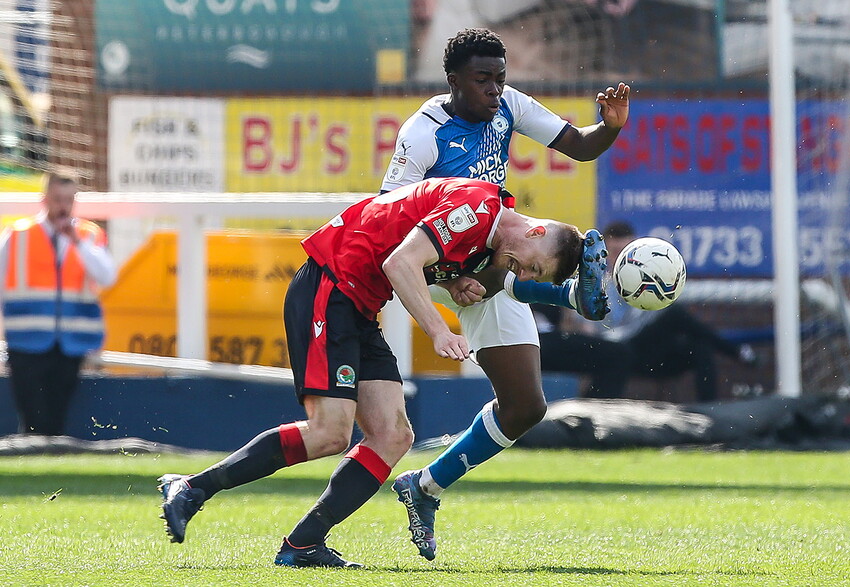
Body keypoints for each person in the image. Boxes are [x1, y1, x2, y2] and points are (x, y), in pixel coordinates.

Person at [158, 176, 585, 568]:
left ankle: (303, 544)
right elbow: (400, 263)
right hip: (330, 287)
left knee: (394, 435)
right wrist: (438, 330)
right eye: (534, 267)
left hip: (359, 305)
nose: (524, 274)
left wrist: (453, 283)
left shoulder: (486, 227)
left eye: (533, 277)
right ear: (535, 232)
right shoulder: (476, 210)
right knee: (329, 433)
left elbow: (413, 246)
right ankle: (192, 488)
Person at [381, 27, 630, 561]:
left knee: (525, 407)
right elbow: (387, 219)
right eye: (482, 80)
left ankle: (423, 486)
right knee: (531, 252)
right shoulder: (423, 134)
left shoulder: (507, 105)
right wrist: (445, 280)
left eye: (500, 78)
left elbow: (580, 146)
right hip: (443, 265)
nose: (494, 89)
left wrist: (608, 129)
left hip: (494, 244)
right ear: (453, 80)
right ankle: (568, 297)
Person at [0, 170, 117, 436]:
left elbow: (107, 276)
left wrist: (77, 242)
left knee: (56, 418)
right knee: (31, 417)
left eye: (68, 199)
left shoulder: (88, 236)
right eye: (57, 199)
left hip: (71, 343)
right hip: (26, 341)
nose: (63, 206)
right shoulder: (18, 235)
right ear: (45, 199)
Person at [590, 221, 758, 402]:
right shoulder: (598, 285)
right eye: (616, 253)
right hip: (619, 349)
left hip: (649, 350)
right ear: (605, 252)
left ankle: (710, 409)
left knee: (699, 346)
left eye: (626, 253)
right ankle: (737, 352)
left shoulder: (647, 277)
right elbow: (594, 330)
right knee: (674, 314)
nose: (620, 259)